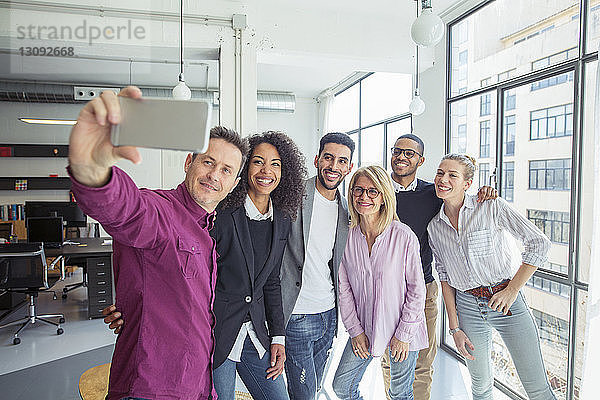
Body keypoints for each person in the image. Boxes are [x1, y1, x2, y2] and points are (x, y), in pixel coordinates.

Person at [67, 87, 248, 400]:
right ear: (189, 161)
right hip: (150, 388)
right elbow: (124, 208)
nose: (214, 175)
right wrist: (90, 165)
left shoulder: (207, 232)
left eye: (226, 170)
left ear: (232, 185)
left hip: (196, 385)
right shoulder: (160, 210)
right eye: (208, 162)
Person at [427, 154, 556, 400]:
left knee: (537, 388)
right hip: (467, 306)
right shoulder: (435, 226)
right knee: (481, 386)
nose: (443, 179)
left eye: (452, 175)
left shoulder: (490, 206)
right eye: (440, 173)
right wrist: (454, 328)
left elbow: (539, 243)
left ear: (467, 183)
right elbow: (444, 276)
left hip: (507, 304)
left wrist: (512, 290)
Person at [380, 134, 497, 400]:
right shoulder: (377, 189)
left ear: (420, 160)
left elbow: (458, 198)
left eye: (409, 153)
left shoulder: (432, 194)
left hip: (423, 287)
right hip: (383, 289)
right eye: (397, 151)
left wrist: (484, 192)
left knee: (422, 359)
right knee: (389, 358)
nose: (401, 157)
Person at [211, 131, 306, 400]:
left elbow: (272, 280)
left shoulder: (283, 219)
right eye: (258, 162)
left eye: (275, 164)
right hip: (218, 333)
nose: (267, 171)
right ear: (245, 167)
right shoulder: (223, 215)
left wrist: (278, 336)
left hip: (256, 332)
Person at [332, 165, 428, 400]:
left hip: (403, 330)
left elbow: (417, 290)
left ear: (384, 196)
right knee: (342, 387)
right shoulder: (347, 236)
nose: (364, 197)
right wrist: (355, 331)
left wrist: (403, 334)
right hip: (364, 328)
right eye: (358, 190)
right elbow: (344, 290)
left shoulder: (403, 235)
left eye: (373, 191)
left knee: (399, 394)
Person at [280, 132, 355, 400]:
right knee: (303, 393)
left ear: (349, 167)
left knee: (312, 389)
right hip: (297, 313)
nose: (334, 166)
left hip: (329, 314)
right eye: (328, 158)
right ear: (317, 159)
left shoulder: (348, 210)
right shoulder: (291, 195)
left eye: (342, 161)